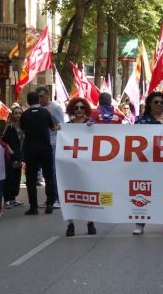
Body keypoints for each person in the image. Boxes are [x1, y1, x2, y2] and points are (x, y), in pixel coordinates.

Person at [133, 92, 163, 235]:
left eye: (161, 102)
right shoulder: (142, 120)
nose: (159, 105)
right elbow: (131, 137)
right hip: (146, 162)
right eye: (156, 102)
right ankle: (140, 223)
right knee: (143, 192)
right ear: (149, 104)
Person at [20, 92, 60, 215]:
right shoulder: (45, 112)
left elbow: (22, 129)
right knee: (49, 177)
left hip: (30, 150)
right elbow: (53, 127)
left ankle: (33, 207)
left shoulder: (25, 114)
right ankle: (49, 203)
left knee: (31, 179)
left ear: (28, 101)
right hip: (45, 149)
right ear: (38, 99)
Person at [64, 98, 97, 236]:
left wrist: (92, 129)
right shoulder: (66, 126)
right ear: (72, 109)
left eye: (82, 108)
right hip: (70, 165)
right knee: (69, 193)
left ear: (86, 110)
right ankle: (70, 224)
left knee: (87, 192)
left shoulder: (90, 125)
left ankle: (90, 222)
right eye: (76, 108)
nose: (79, 110)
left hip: (87, 165)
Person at [36, 86, 65, 208]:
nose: (40, 99)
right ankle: (50, 199)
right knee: (47, 173)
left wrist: (53, 128)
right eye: (38, 97)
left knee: (53, 172)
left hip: (53, 143)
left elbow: (62, 125)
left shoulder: (55, 108)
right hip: (42, 144)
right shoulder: (38, 109)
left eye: (41, 96)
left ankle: (57, 199)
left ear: (48, 95)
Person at [1, 106, 25, 209]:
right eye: (16, 113)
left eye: (20, 113)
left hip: (19, 156)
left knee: (17, 177)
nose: (18, 115)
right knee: (9, 178)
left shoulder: (24, 126)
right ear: (12, 115)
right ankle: (7, 200)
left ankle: (13, 199)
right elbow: (4, 142)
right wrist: (12, 153)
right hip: (10, 157)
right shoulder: (9, 127)